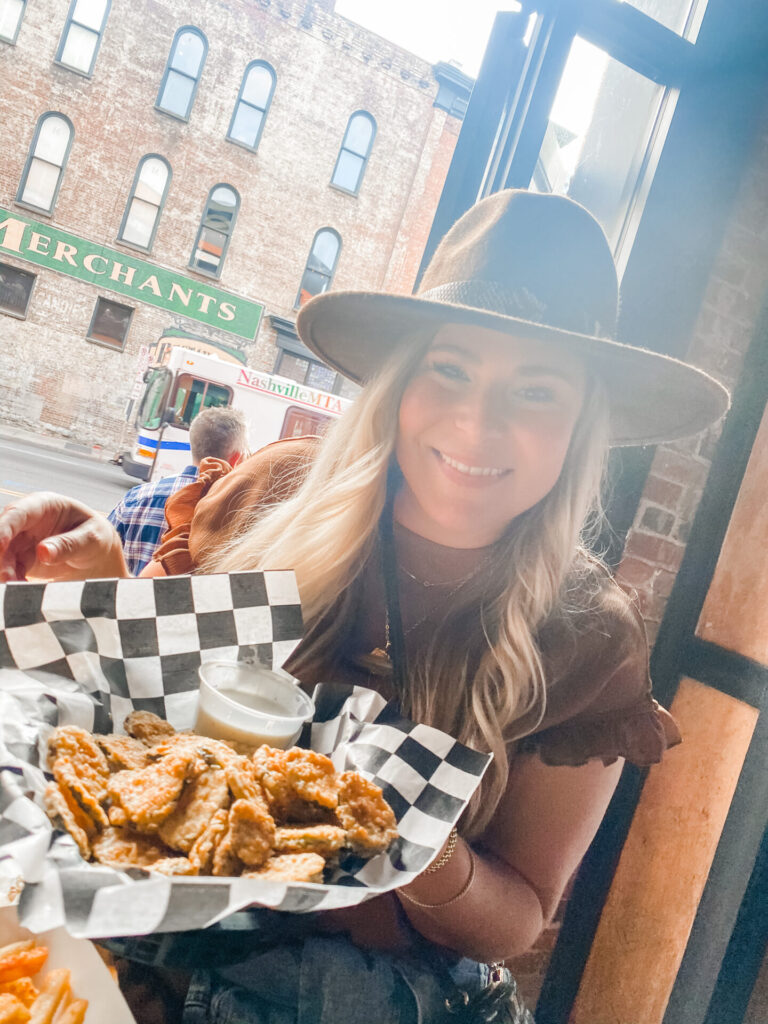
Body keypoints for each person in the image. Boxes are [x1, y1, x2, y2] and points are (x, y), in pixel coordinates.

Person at [0, 190, 729, 1023]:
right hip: (139, 956)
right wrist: (91, 579)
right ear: (400, 380)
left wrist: (414, 844)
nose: (476, 421)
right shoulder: (270, 494)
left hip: (371, 995)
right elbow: (151, 732)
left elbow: (519, 918)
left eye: (536, 392)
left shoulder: (588, 630)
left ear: (580, 424)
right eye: (448, 369)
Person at [107, 406, 248, 574]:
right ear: (236, 458)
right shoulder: (235, 515)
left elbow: (101, 553)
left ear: (193, 443)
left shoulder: (136, 498)